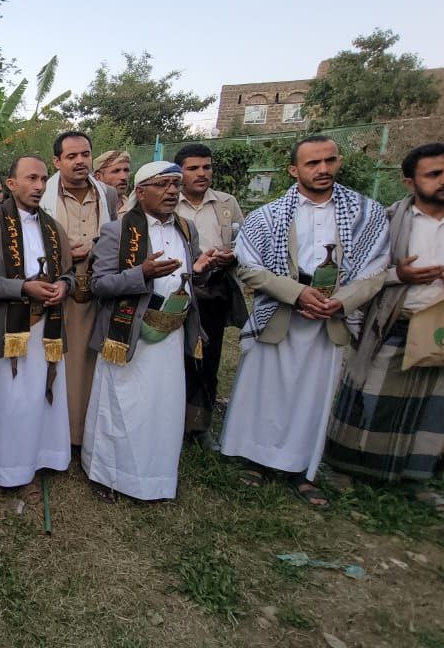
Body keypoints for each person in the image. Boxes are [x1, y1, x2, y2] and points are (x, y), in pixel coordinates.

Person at [326, 142, 444, 510]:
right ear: (410, 182)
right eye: (434, 174)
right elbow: (360, 272)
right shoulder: (386, 220)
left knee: (436, 406)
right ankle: (345, 468)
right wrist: (399, 275)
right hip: (394, 323)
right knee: (368, 398)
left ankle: (418, 479)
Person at [221, 135, 390, 509]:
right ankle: (254, 459)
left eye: (330, 160)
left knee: (314, 394)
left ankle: (301, 469)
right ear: (294, 170)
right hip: (281, 310)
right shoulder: (268, 216)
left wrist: (340, 302)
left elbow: (376, 270)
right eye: (313, 163)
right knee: (264, 388)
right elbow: (248, 265)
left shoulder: (366, 214)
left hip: (331, 314)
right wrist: (296, 294)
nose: (323, 169)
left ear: (339, 162)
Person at [81, 161, 212, 502]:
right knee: (122, 406)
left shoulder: (186, 228)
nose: (172, 191)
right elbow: (99, 284)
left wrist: (202, 269)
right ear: (141, 192)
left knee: (162, 407)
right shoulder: (117, 231)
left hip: (170, 334)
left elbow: (192, 273)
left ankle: (155, 478)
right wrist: (143, 273)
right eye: (163, 184)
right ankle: (107, 474)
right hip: (128, 335)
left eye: (176, 184)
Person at [0, 155, 74, 504]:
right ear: (11, 184)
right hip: (6, 331)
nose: (39, 186)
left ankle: (29, 465)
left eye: (43, 179)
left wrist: (63, 286)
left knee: (36, 400)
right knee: (3, 401)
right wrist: (22, 288)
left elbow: (69, 273)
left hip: (45, 328)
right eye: (31, 178)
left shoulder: (53, 228)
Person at [39, 131, 119, 450]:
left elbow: (114, 235)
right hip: (57, 288)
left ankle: (83, 433)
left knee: (90, 362)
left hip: (98, 288)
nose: (80, 161)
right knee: (60, 362)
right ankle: (55, 436)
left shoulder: (107, 194)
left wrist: (96, 248)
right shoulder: (42, 195)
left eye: (85, 154)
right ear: (57, 161)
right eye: (71, 156)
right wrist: (62, 253)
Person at [173, 143, 246, 451]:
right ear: (179, 172)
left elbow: (243, 242)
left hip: (213, 291)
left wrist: (232, 256)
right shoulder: (168, 200)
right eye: (193, 168)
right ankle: (171, 421)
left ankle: (199, 425)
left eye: (206, 167)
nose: (201, 173)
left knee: (208, 358)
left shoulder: (226, 203)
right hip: (178, 290)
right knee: (176, 359)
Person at [93, 149, 131, 214]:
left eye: (126, 170)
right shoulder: (90, 208)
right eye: (116, 171)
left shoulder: (136, 209)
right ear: (98, 177)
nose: (123, 177)